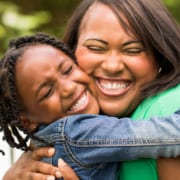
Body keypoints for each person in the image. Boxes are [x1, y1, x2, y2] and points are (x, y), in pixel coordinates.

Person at [3, 0, 180, 179]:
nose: (69, 88)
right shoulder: (77, 132)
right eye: (95, 48)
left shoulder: (164, 104)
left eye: (133, 50)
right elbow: (171, 136)